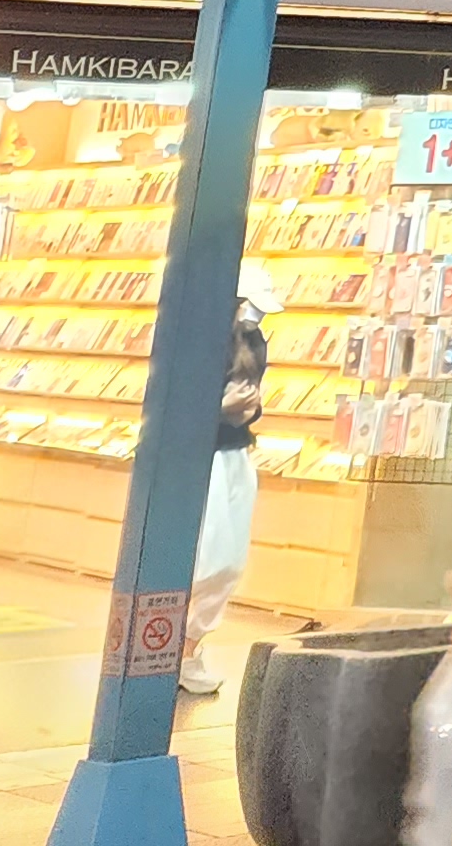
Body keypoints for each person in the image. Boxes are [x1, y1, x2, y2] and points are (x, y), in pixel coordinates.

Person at [178, 268, 274, 699]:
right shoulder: (200, 341)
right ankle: (172, 649)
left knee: (230, 561)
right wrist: (218, 407)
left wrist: (249, 408)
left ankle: (189, 647)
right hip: (204, 455)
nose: (255, 315)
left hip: (236, 451)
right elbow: (180, 405)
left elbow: (251, 397)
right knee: (207, 558)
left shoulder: (254, 340)